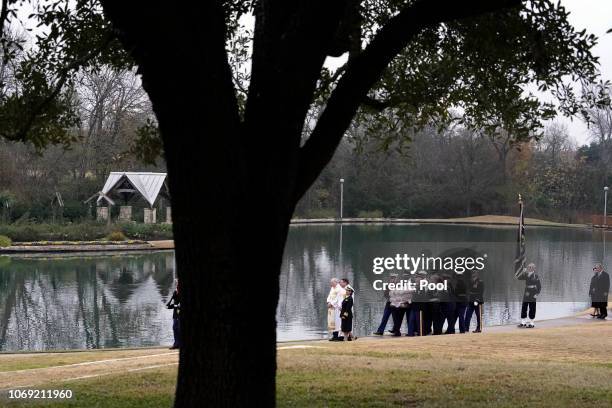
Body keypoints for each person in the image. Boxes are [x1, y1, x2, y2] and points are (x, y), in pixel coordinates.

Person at [517, 263, 541, 328]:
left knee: (532, 308)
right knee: (524, 307)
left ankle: (531, 323)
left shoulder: (536, 276)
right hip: (527, 292)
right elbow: (518, 278)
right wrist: (523, 272)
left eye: (531, 267)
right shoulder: (526, 274)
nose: (529, 268)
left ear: (533, 268)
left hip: (533, 293)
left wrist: (537, 294)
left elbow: (539, 286)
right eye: (529, 267)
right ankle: (523, 323)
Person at [166, 279, 181, 350]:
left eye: (177, 282)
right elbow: (173, 302)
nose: (176, 284)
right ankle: (176, 344)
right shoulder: (175, 292)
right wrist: (169, 305)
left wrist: (177, 306)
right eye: (176, 283)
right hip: (175, 313)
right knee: (175, 327)